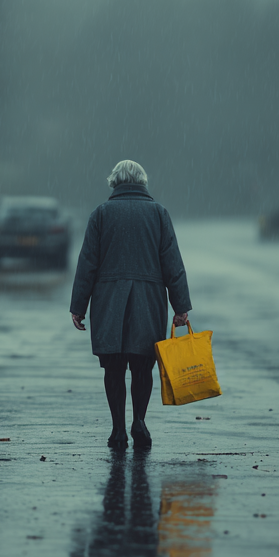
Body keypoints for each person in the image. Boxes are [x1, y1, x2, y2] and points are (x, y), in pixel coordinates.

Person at [70, 160, 191, 450]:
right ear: (143, 182)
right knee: (142, 366)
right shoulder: (158, 214)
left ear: (114, 182)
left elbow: (87, 263)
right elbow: (172, 263)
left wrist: (78, 306)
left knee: (113, 367)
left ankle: (117, 430)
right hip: (147, 302)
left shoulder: (101, 214)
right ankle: (139, 420)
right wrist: (181, 306)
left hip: (109, 301)